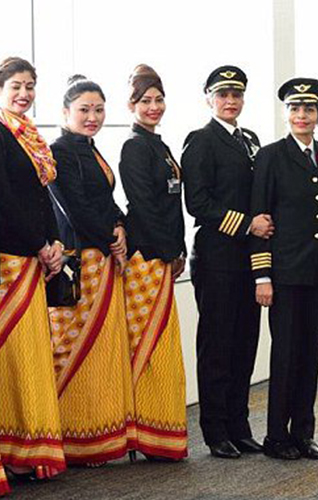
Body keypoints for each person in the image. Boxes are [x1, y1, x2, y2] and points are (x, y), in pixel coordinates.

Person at [182, 65, 272, 459]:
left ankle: (239, 424)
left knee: (245, 344)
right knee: (217, 345)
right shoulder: (201, 140)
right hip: (218, 257)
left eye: (236, 95)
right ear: (209, 99)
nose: (230, 101)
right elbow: (197, 203)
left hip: (248, 260)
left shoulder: (250, 140)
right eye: (222, 95)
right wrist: (247, 224)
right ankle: (215, 429)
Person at [250, 78, 318, 461]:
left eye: (309, 109)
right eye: (295, 109)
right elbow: (260, 216)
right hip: (284, 273)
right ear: (286, 113)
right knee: (285, 354)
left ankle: (304, 433)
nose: (302, 115)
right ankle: (276, 436)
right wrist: (263, 274)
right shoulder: (270, 156)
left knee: (310, 352)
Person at [48, 75, 136, 465]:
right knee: (74, 350)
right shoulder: (60, 151)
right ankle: (73, 438)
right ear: (65, 112)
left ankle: (98, 436)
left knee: (100, 352)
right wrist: (110, 235)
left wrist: (120, 226)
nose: (92, 116)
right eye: (84, 109)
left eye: (99, 109)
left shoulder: (92, 148)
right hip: (80, 262)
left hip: (103, 257)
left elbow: (105, 199)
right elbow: (76, 207)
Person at [0, 56, 66, 485]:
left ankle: (27, 449)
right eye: (15, 86)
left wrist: (55, 241)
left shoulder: (29, 136)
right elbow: (5, 201)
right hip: (9, 259)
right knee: (13, 358)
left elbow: (41, 197)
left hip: (31, 257)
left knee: (29, 360)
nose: (24, 94)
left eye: (30, 86)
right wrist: (40, 244)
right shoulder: (3, 133)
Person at [118, 64, 188, 461]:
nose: (154, 106)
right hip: (146, 257)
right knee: (144, 343)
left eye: (159, 99)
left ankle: (159, 429)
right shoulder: (134, 146)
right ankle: (141, 431)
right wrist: (167, 252)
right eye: (145, 100)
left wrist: (177, 250)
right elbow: (143, 206)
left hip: (163, 254)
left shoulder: (157, 144)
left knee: (161, 343)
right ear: (131, 105)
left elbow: (172, 204)